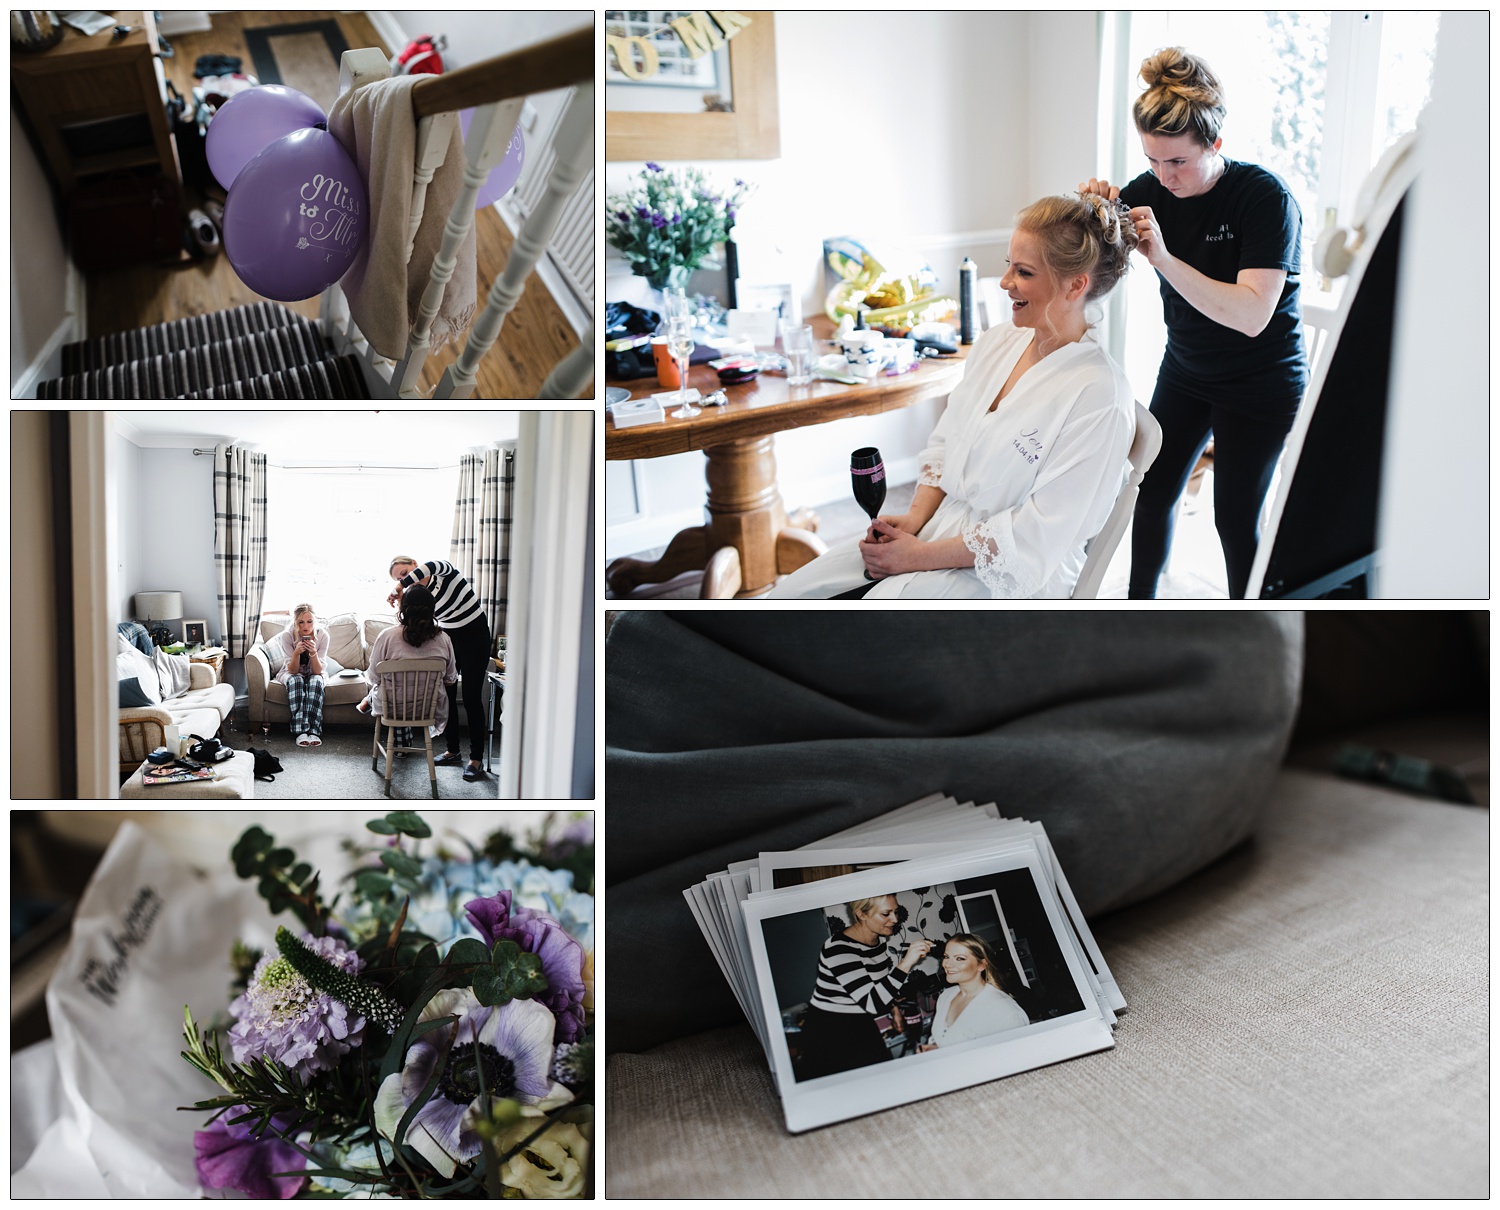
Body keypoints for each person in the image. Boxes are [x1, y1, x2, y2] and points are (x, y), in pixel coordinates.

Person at [768, 193, 1138, 599]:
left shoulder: (1099, 396)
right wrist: (915, 520)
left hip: (1013, 577)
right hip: (938, 531)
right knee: (793, 595)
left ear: (1076, 284)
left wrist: (917, 557)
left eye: (1024, 272)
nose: (1004, 282)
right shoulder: (999, 342)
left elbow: (1035, 537)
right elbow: (946, 443)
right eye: (1008, 266)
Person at [1080, 47, 1309, 599]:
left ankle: (1248, 627)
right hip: (1186, 371)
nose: (1163, 176)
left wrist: (1162, 258)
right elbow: (1088, 259)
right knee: (1150, 493)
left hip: (1261, 384)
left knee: (1233, 519)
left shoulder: (1264, 200)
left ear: (1216, 146)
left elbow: (1252, 315)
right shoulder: (1150, 191)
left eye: (1177, 162)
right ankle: (1140, 610)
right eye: (1153, 160)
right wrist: (1088, 210)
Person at [798, 895, 934, 1080]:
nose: (894, 919)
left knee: (882, 1073)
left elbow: (877, 984)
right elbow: (873, 1003)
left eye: (896, 912)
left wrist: (894, 1010)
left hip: (860, 1019)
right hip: (829, 1028)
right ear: (861, 914)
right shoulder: (838, 950)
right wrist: (907, 962)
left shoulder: (877, 941)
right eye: (886, 914)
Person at [387, 556, 492, 781]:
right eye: (399, 577)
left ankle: (476, 758)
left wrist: (399, 586)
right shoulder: (419, 596)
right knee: (446, 693)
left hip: (475, 636)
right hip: (450, 636)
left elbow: (432, 567)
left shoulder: (443, 571)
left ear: (415, 564)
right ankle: (453, 750)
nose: (404, 579)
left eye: (405, 573)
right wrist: (401, 598)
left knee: (472, 697)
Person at [357, 584, 458, 752]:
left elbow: (373, 677)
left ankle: (367, 701)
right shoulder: (444, 639)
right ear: (432, 609)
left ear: (403, 608)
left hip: (393, 707)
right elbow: (450, 680)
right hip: (427, 709)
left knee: (381, 685)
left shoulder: (387, 636)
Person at [919, 934, 1030, 1050]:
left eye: (959, 958)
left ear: (981, 965)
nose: (947, 964)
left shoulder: (1004, 1010)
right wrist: (934, 1048)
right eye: (946, 957)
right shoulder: (945, 997)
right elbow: (946, 1039)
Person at [270, 603, 329, 747]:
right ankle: (300, 731)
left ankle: (314, 731)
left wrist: (313, 653)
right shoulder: (287, 635)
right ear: (295, 622)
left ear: (315, 621)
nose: (305, 626)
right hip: (291, 671)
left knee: (316, 682)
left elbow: (317, 671)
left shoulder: (323, 636)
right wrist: (296, 653)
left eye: (310, 622)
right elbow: (292, 670)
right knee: (296, 681)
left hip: (315, 671)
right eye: (301, 622)